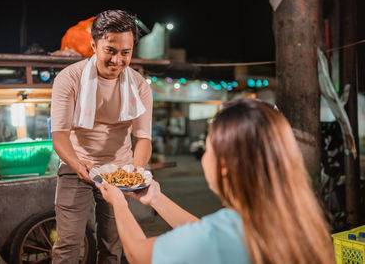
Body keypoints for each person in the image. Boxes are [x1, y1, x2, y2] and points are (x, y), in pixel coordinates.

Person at [97, 98, 336, 264]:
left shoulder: (223, 234)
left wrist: (119, 202)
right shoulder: (299, 218)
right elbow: (206, 233)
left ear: (224, 166)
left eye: (207, 150)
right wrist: (156, 199)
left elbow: (139, 255)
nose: (204, 158)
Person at [50, 9, 153, 264]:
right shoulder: (69, 79)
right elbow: (59, 136)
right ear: (94, 45)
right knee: (68, 246)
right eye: (110, 50)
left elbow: (143, 138)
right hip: (76, 166)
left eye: (125, 52)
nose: (117, 60)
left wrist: (135, 172)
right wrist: (78, 165)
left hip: (118, 170)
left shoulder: (139, 86)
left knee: (112, 245)